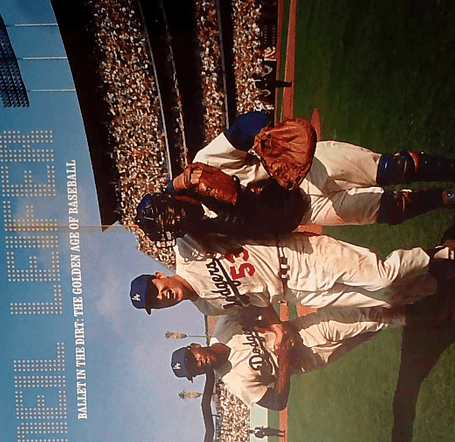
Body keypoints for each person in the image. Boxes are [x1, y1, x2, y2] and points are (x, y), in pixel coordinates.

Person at [133, 111, 455, 247]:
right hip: (303, 213)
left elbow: (245, 125)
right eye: (173, 226)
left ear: (171, 197)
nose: (179, 219)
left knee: (393, 168)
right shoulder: (201, 236)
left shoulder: (203, 165)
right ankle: (445, 199)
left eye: (172, 212)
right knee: (389, 208)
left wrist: (264, 136)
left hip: (306, 171)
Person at [130, 229, 455, 351]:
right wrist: (274, 325)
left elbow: (185, 214)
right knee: (388, 296)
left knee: (382, 277)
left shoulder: (187, 250)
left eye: (155, 290)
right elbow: (255, 305)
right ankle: (441, 278)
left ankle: (443, 253)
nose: (161, 298)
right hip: (295, 292)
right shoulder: (208, 309)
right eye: (155, 304)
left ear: (160, 274)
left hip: (297, 256)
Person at [169, 303, 451, 410]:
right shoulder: (235, 382)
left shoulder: (224, 327)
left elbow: (258, 303)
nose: (199, 364)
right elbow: (277, 402)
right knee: (365, 332)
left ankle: (435, 312)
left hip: (304, 330)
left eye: (193, 359)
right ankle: (422, 308)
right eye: (195, 371)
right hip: (308, 360)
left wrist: (275, 326)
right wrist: (285, 362)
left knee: (366, 318)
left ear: (195, 347)